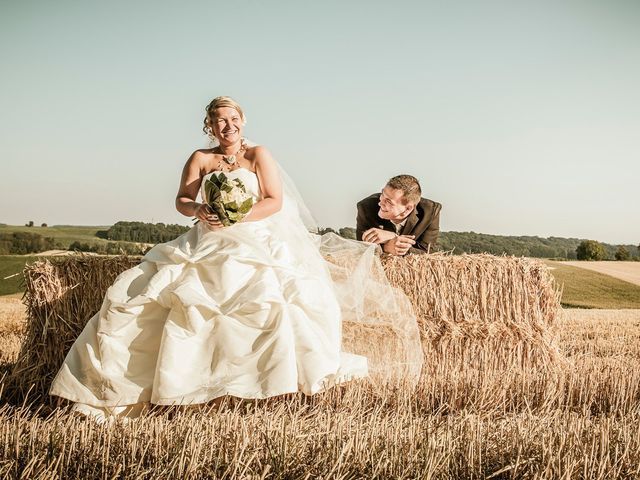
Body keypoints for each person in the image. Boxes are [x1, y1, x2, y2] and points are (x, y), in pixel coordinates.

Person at [49, 97, 422, 422]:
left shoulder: (259, 155)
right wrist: (198, 210)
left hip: (257, 236)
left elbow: (274, 200)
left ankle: (272, 387)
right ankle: (182, 389)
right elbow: (181, 199)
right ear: (209, 126)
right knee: (155, 299)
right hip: (209, 237)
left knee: (271, 301)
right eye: (219, 120)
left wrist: (239, 216)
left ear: (243, 120)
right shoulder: (200, 158)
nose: (227, 125)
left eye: (233, 118)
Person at [356, 175, 442, 256]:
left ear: (408, 209)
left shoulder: (431, 211)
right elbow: (361, 248)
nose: (380, 202)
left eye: (388, 201)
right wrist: (386, 247)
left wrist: (398, 244)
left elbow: (427, 253)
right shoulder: (366, 207)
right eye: (382, 194)